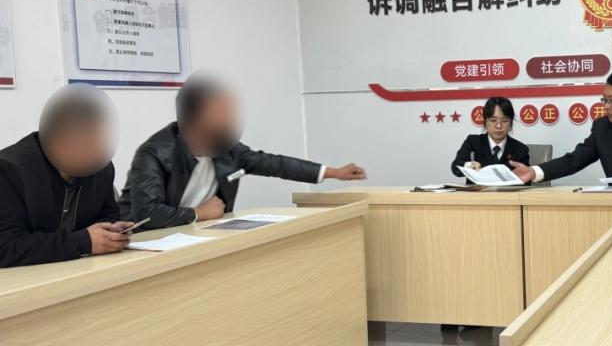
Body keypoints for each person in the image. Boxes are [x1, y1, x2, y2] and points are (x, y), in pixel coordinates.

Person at [120, 73, 367, 229]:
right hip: (146, 242)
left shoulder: (226, 148)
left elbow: (273, 164)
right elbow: (146, 213)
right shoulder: (154, 153)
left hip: (196, 235)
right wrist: (198, 213)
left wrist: (333, 172)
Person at [0, 85, 134, 267]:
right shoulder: (9, 170)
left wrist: (111, 231)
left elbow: (108, 214)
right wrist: (83, 242)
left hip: (81, 271)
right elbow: (6, 246)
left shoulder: (101, 167)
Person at [451, 97, 530, 179]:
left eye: (504, 120)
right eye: (493, 120)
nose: (499, 126)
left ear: (511, 122)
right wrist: (469, 165)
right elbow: (455, 167)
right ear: (486, 121)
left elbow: (526, 180)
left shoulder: (520, 150)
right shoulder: (473, 142)